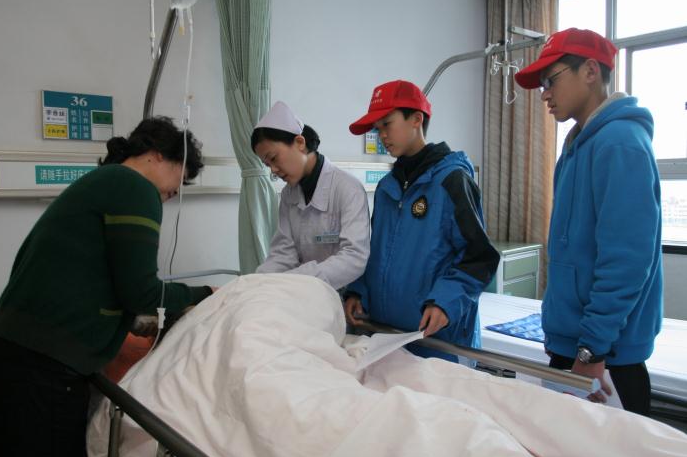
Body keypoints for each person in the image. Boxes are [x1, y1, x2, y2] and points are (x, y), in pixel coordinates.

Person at [0, 116, 217, 457]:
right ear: (157, 153)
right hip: (44, 367)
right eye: (180, 179)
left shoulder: (101, 183)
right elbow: (142, 293)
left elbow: (92, 280)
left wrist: (126, 326)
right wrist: (206, 294)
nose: (174, 193)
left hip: (14, 353)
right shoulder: (135, 187)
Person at [514, 28, 662, 416]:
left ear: (591, 71)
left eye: (551, 80)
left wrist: (592, 349)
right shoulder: (577, 147)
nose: (544, 94)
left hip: (605, 357)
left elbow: (627, 260)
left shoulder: (619, 143)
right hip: (575, 346)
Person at [343, 80, 500, 360]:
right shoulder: (387, 188)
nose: (382, 135)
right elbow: (375, 251)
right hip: (386, 335)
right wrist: (358, 292)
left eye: (387, 124)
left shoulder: (452, 181)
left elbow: (478, 258)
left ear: (416, 119)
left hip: (437, 341)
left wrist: (445, 302)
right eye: (377, 129)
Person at [253, 101, 370, 291]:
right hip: (302, 291)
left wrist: (293, 280)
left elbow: (354, 257)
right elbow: (284, 253)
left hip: (340, 296)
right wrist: (256, 282)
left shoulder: (347, 188)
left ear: (300, 143)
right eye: (268, 165)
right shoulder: (289, 194)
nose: (273, 170)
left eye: (274, 158)